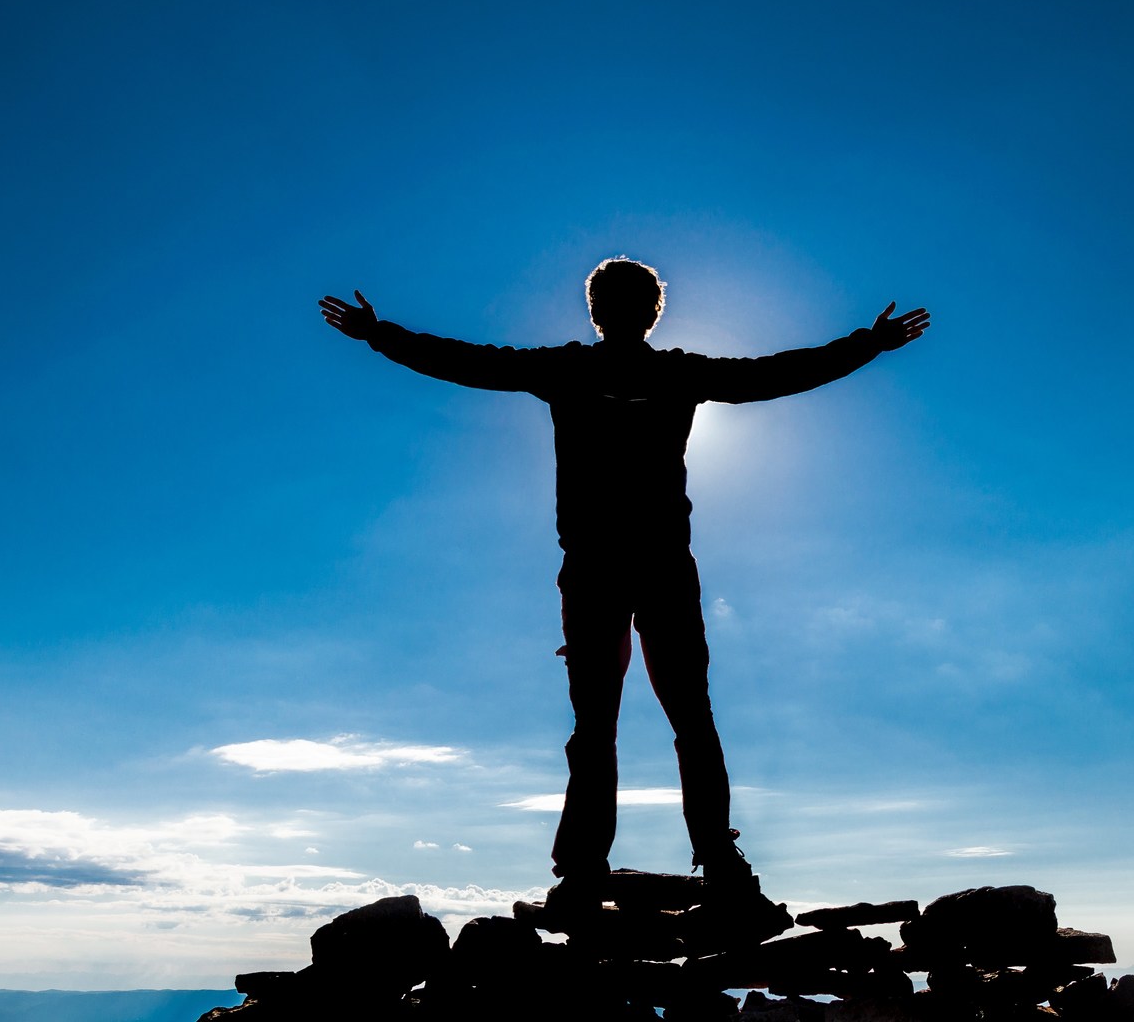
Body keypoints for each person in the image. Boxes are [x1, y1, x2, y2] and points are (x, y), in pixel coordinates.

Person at [319, 258, 929, 912]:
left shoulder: (571, 369)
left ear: (597, 311)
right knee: (687, 718)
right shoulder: (672, 373)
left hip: (600, 567)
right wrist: (868, 344)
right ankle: (709, 865)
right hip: (654, 565)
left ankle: (589, 872)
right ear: (652, 312)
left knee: (601, 725)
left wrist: (379, 335)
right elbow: (774, 375)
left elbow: (470, 362)